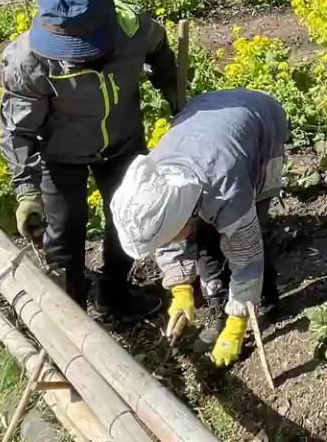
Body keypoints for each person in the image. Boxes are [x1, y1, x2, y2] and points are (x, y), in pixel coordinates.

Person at [0, 0, 180, 316]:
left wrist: (170, 86)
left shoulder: (135, 28)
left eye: (83, 45)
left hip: (123, 144)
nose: (77, 55)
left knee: (130, 219)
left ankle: (114, 295)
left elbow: (159, 50)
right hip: (60, 154)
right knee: (63, 235)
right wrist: (26, 191)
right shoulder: (28, 61)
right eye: (68, 47)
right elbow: (18, 129)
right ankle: (71, 313)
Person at [110, 88, 287, 368]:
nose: (166, 245)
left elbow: (247, 256)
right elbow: (165, 237)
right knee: (205, 240)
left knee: (252, 227)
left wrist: (237, 324)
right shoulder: (155, 188)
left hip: (260, 120)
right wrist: (181, 289)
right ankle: (218, 305)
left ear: (185, 216)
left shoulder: (227, 189)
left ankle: (264, 297)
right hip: (204, 126)